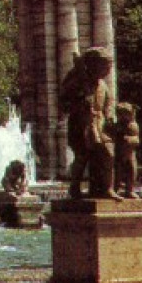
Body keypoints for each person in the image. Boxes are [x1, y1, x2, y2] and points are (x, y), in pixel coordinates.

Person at [60, 47, 118, 200]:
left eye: (110, 66)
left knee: (107, 154)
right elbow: (63, 104)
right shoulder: (76, 81)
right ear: (93, 64)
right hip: (80, 124)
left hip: (99, 124)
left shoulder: (103, 84)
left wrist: (110, 116)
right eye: (105, 66)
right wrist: (80, 101)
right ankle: (75, 187)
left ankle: (106, 188)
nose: (108, 70)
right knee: (82, 156)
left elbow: (109, 103)